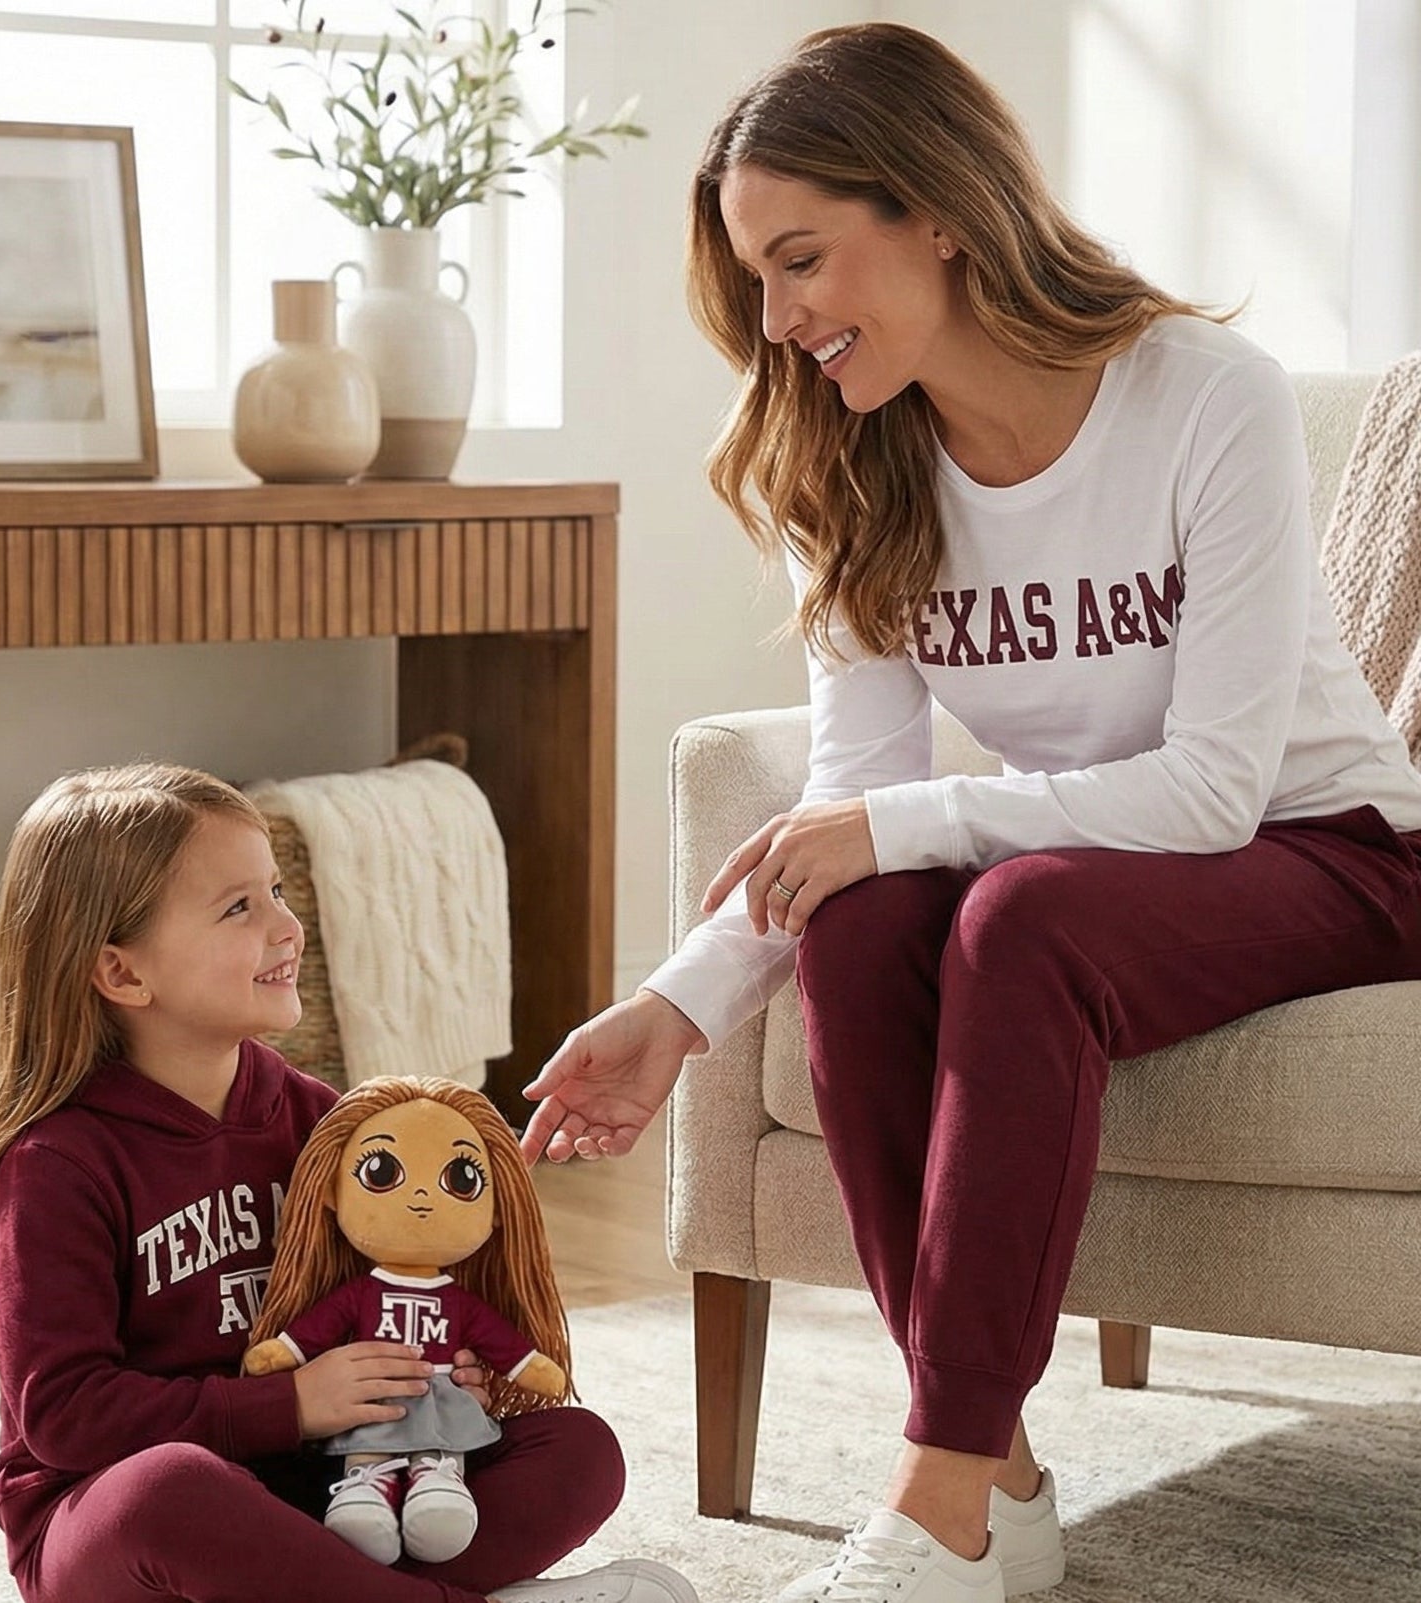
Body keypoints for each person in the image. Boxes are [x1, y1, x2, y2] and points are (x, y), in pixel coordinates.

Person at [521, 22, 1421, 1603]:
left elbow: (1216, 787)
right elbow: (847, 809)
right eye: (756, 282)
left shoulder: (1203, 395)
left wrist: (912, 824)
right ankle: (991, 1478)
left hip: (1333, 848)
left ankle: (935, 1499)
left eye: (802, 259)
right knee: (866, 923)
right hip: (1100, 866)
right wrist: (674, 1009)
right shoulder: (850, 465)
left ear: (935, 206)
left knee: (1015, 912)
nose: (781, 318)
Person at [0, 762, 698, 1603]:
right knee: (168, 1490)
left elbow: (381, 1292)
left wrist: (437, 1371)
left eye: (279, 891)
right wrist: (287, 1405)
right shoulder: (57, 1165)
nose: (287, 926)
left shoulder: (320, 1123)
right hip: (119, 1524)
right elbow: (68, 1417)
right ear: (123, 973)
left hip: (330, 1488)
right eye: (238, 907)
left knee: (579, 1448)